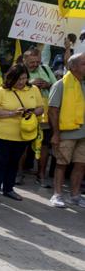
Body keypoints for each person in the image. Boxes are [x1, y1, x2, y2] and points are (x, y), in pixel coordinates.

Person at [0, 64, 44, 202]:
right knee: (0, 162)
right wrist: (12, 113)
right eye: (18, 79)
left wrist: (31, 112)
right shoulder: (1, 91)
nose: (22, 82)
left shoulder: (34, 89)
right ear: (11, 78)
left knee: (14, 162)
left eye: (24, 78)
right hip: (2, 134)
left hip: (23, 134)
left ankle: (8, 189)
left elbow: (41, 108)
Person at [48, 52, 85, 208]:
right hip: (66, 133)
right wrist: (56, 134)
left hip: (83, 134)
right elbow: (52, 110)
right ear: (73, 66)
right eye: (84, 63)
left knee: (81, 164)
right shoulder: (60, 84)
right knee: (62, 164)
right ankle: (57, 195)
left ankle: (75, 196)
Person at [24, 49, 57, 187]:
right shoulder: (19, 70)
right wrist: (30, 84)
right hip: (27, 113)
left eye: (37, 62)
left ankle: (41, 174)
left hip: (45, 113)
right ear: (24, 60)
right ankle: (18, 173)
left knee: (44, 144)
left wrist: (47, 85)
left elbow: (56, 86)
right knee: (24, 143)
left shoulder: (46, 69)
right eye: (32, 62)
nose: (35, 65)